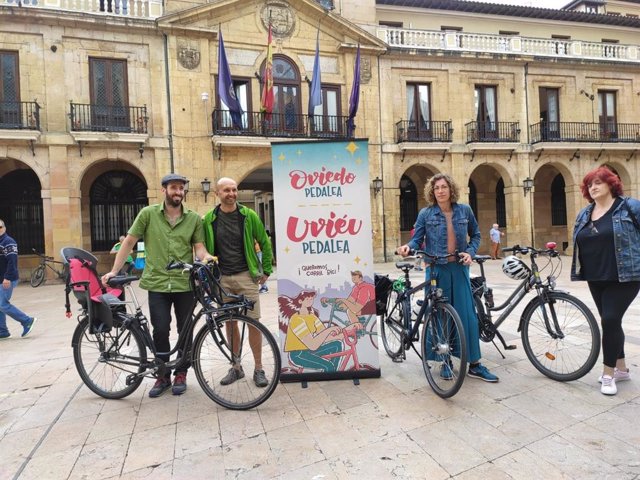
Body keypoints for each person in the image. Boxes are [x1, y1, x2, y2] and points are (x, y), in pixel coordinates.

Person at [101, 173, 215, 398]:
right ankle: (162, 375)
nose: (178, 192)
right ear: (164, 190)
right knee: (160, 329)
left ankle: (181, 372)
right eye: (174, 188)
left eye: (181, 188)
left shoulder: (193, 219)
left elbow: (199, 248)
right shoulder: (148, 214)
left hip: (184, 283)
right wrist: (115, 270)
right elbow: (130, 242)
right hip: (157, 282)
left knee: (186, 330)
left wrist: (206, 257)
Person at [396, 173, 498, 382]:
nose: (440, 191)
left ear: (451, 189)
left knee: (467, 316)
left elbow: (476, 234)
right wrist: (408, 247)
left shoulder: (465, 210)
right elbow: (417, 239)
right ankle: (444, 360)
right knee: (439, 315)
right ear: (432, 192)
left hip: (459, 269)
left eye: (444, 187)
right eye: (436, 188)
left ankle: (474, 364)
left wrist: (470, 251)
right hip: (436, 269)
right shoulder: (426, 214)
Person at [571, 166, 640, 396]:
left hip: (626, 276)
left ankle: (608, 374)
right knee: (610, 321)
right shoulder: (584, 213)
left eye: (598, 182)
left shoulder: (629, 207)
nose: (593, 187)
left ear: (611, 184)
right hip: (595, 276)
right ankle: (622, 368)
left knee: (609, 319)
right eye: (590, 184)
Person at [202, 177, 273, 388]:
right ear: (217, 193)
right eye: (226, 190)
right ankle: (236, 367)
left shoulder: (248, 215)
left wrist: (266, 270)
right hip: (222, 278)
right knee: (230, 323)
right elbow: (204, 248)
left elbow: (264, 242)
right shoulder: (209, 219)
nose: (231, 194)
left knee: (254, 322)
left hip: (246, 276)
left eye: (234, 190)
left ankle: (259, 368)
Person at [280, 290, 343, 372]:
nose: (310, 301)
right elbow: (312, 345)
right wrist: (329, 330)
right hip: (298, 354)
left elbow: (325, 337)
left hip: (309, 351)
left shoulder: (311, 316)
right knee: (328, 366)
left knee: (337, 344)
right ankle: (330, 373)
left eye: (311, 299)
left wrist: (348, 330)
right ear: (300, 301)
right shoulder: (297, 319)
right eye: (307, 299)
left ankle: (333, 373)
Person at [0, 219, 36, 339]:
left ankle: (27, 321)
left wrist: (7, 278)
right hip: (2, 279)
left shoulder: (8, 242)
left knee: (3, 304)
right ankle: (2, 331)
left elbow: (12, 261)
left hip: (7, 279)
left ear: (4, 228)